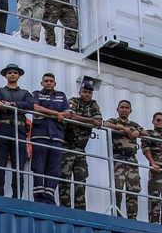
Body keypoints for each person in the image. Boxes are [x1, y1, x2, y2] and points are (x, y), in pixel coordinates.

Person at [58, 76, 103, 210]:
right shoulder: (73, 101)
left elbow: (98, 121)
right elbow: (70, 116)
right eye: (84, 92)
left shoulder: (94, 105)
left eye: (89, 92)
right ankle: (65, 209)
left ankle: (80, 210)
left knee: (81, 180)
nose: (87, 94)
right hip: (67, 147)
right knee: (64, 179)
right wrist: (89, 121)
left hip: (80, 149)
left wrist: (82, 121)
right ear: (80, 92)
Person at [0, 64, 33, 198]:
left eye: (15, 72)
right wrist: (18, 108)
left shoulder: (25, 93)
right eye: (9, 72)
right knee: (0, 161)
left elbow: (29, 105)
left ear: (19, 75)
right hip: (3, 127)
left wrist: (10, 104)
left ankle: (17, 195)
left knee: (19, 163)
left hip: (19, 129)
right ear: (5, 75)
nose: (12, 74)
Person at [29, 72, 70, 204]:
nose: (48, 83)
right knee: (38, 166)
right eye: (46, 81)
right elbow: (35, 107)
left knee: (54, 168)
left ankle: (49, 197)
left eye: (51, 81)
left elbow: (68, 113)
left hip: (56, 137)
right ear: (41, 83)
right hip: (40, 135)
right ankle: (39, 197)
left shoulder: (61, 96)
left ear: (55, 83)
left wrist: (59, 114)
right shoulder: (36, 94)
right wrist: (56, 114)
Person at [105, 100, 142, 219]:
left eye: (126, 108)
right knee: (117, 188)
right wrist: (122, 128)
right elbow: (105, 124)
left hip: (132, 159)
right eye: (122, 107)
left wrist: (138, 132)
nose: (124, 110)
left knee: (133, 190)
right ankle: (117, 216)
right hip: (119, 157)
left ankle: (132, 218)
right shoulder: (114, 121)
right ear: (117, 109)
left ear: (130, 111)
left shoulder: (134, 124)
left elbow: (146, 132)